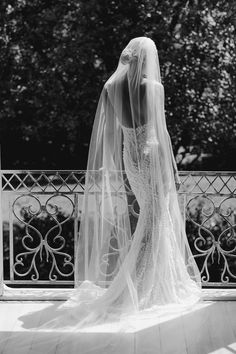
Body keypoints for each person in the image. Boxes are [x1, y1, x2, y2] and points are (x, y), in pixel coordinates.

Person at [58, 37, 201, 327]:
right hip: (151, 157)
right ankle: (139, 286)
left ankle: (148, 282)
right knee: (155, 218)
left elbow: (112, 132)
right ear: (147, 59)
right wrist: (169, 169)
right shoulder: (154, 87)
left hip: (130, 158)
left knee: (151, 218)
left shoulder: (111, 87)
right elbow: (159, 132)